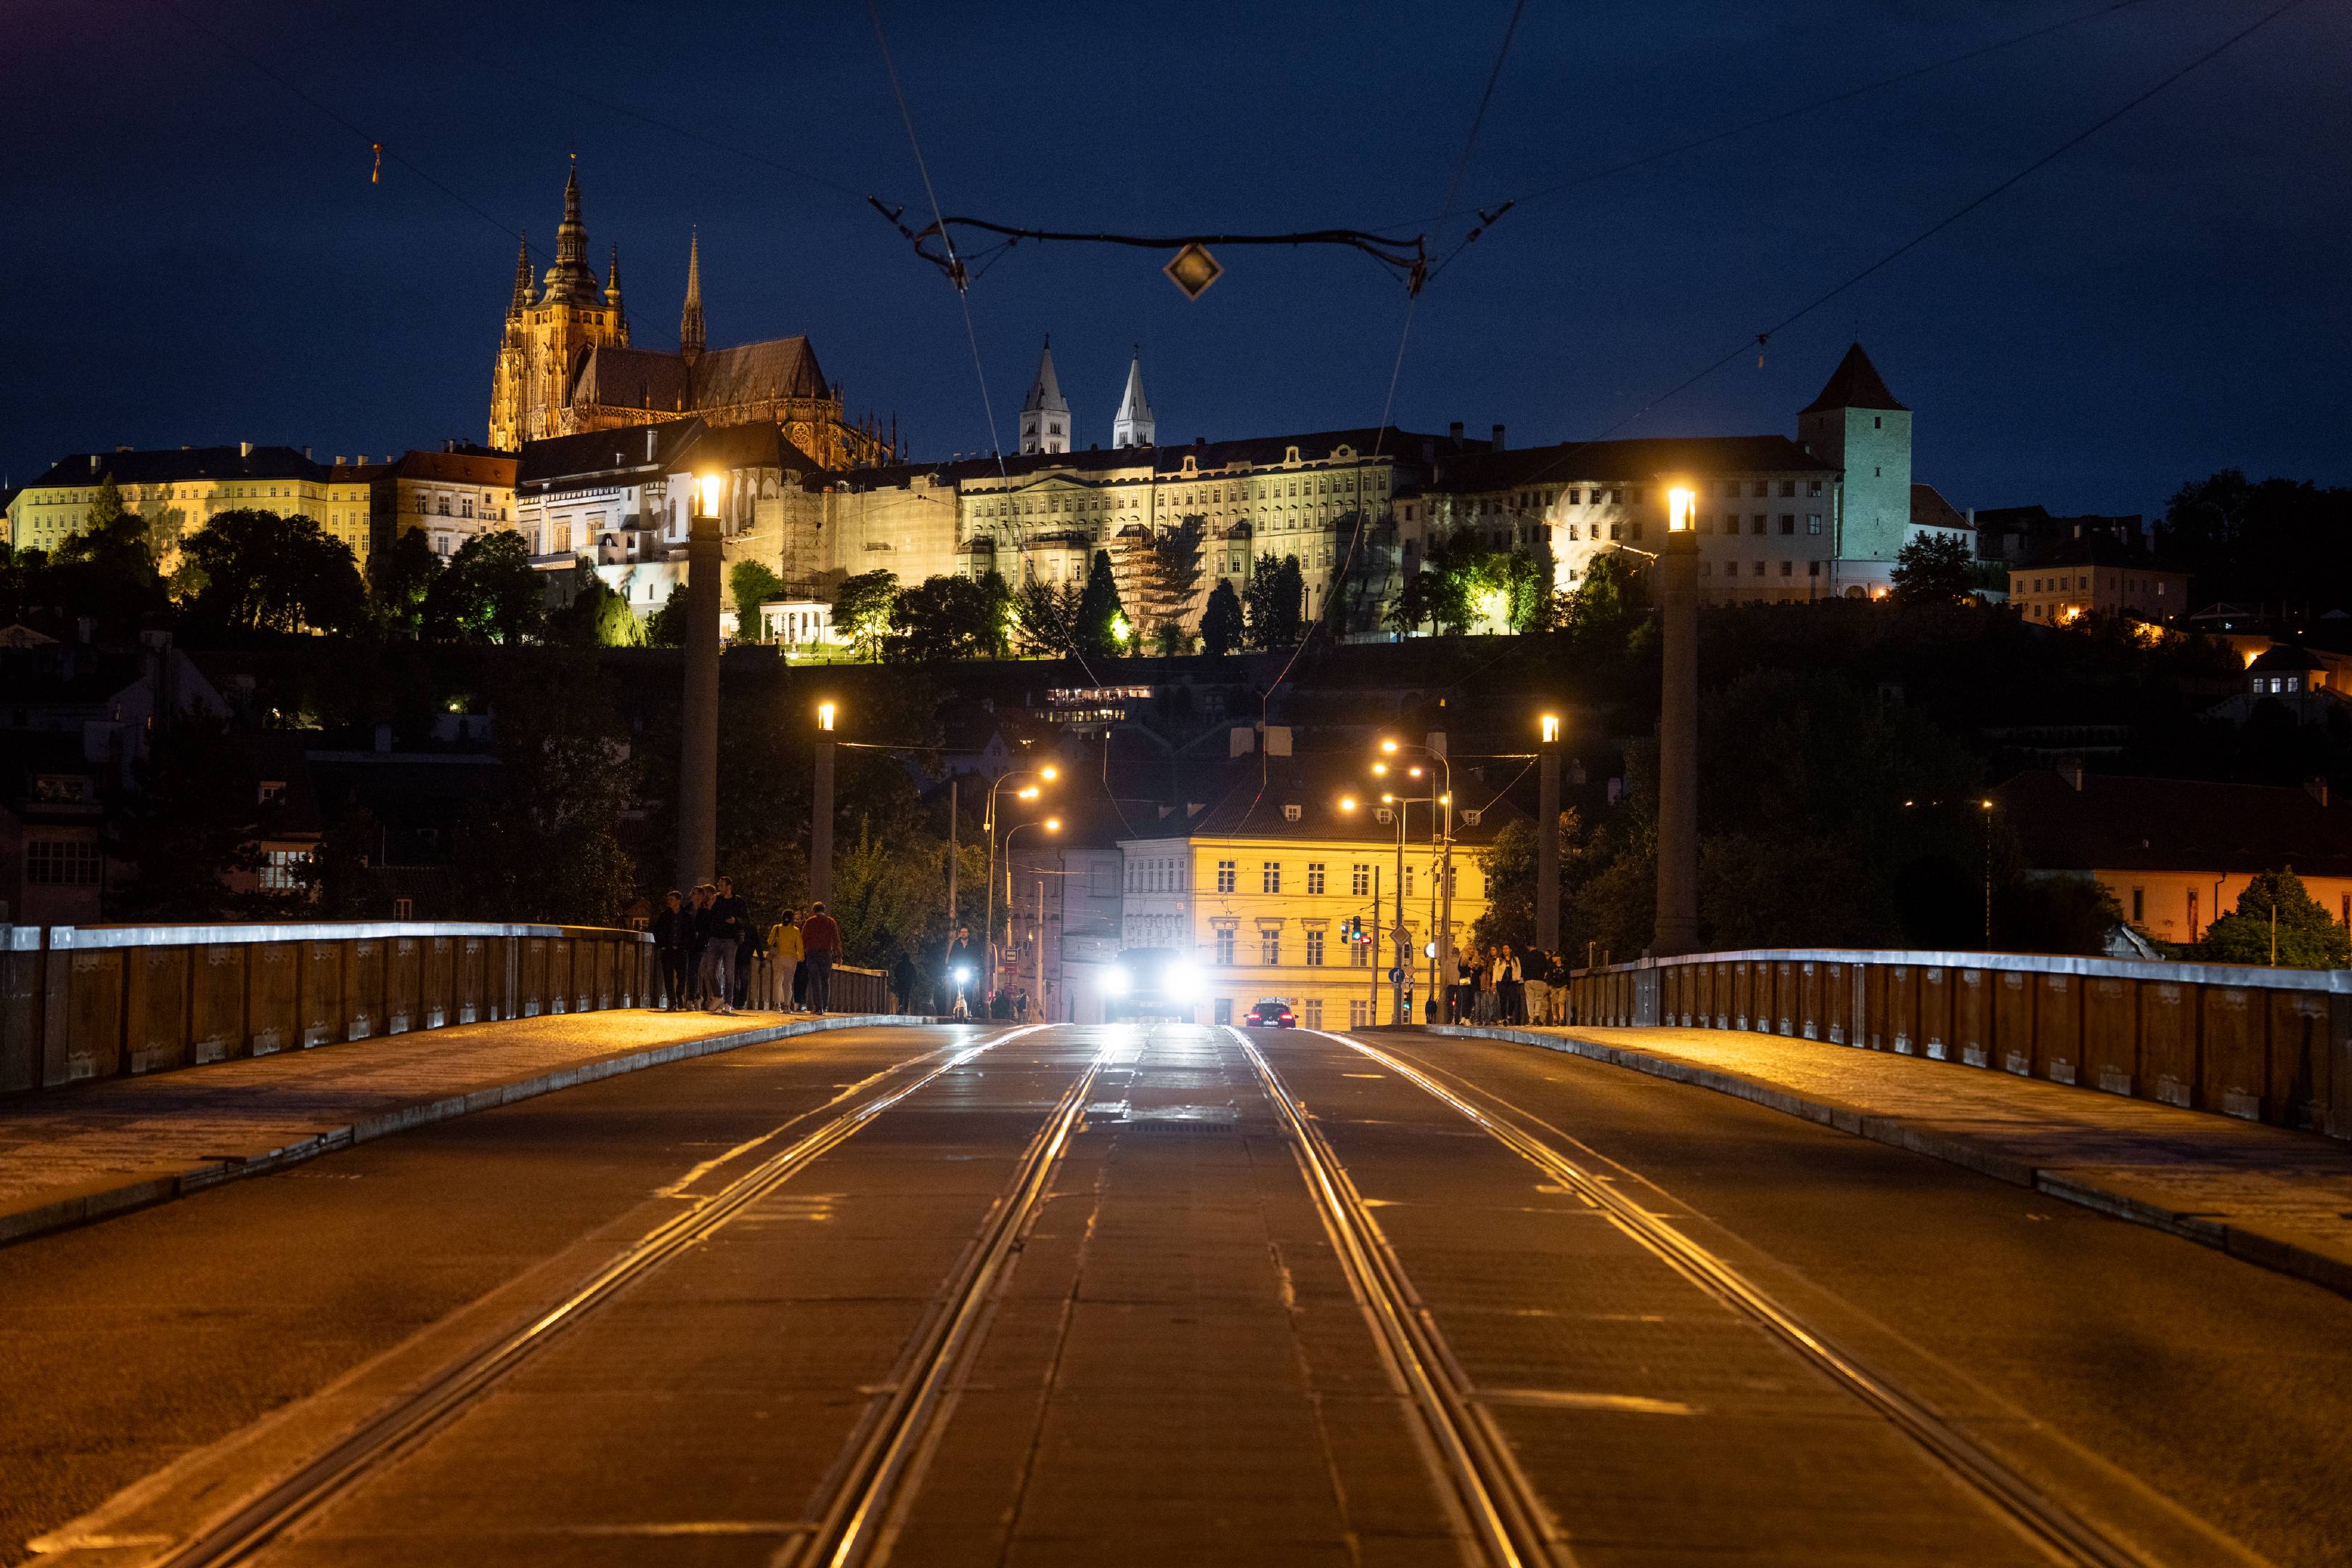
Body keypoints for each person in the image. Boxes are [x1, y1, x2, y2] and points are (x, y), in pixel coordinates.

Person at [651, 889, 692, 1010]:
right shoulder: (664, 915)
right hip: (668, 950)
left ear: (678, 901)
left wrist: (685, 947)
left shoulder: (686, 916)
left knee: (682, 976)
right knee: (668, 976)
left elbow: (690, 934)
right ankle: (672, 1001)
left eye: (671, 899)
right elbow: (657, 931)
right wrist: (662, 945)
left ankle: (679, 994)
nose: (669, 902)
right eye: (668, 899)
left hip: (681, 951)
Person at [801, 899, 842, 1013]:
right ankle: (825, 1006)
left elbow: (803, 939)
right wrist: (839, 955)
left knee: (815, 980)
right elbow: (836, 939)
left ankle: (818, 1007)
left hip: (812, 954)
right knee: (825, 980)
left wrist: (800, 953)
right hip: (826, 954)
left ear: (814, 910)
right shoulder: (831, 922)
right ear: (824, 910)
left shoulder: (810, 922)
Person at [768, 909, 804, 1012]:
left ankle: (777, 1004)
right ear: (792, 918)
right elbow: (800, 946)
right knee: (788, 982)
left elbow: (770, 941)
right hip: (791, 959)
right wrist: (801, 957)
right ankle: (787, 1006)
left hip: (778, 958)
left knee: (777, 981)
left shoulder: (777, 928)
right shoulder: (796, 930)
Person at [945, 926, 979, 1017]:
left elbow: (977, 957)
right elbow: (952, 956)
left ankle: (969, 1010)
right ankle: (955, 1007)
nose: (963, 933)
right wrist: (950, 966)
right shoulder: (956, 944)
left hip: (970, 970)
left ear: (968, 933)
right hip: (958, 969)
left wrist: (976, 966)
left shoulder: (974, 944)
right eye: (962, 932)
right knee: (955, 988)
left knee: (969, 990)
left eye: (965, 932)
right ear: (959, 933)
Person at [891, 951, 920, 1015]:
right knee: (907, 995)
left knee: (901, 995)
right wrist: (916, 982)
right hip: (909, 983)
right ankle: (906, 1008)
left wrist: (898, 979)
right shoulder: (911, 965)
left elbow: (896, 973)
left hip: (901, 982)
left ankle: (900, 1006)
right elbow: (914, 974)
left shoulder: (900, 964)